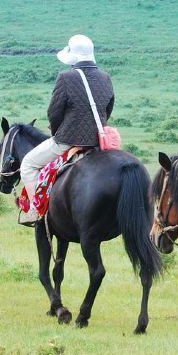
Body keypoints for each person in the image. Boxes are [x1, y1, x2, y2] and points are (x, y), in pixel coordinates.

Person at [19, 34, 114, 226]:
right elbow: (108, 107)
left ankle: (36, 210)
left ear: (73, 56)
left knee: (28, 164)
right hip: (97, 141)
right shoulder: (105, 77)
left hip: (68, 140)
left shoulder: (65, 77)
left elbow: (54, 112)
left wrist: (57, 133)